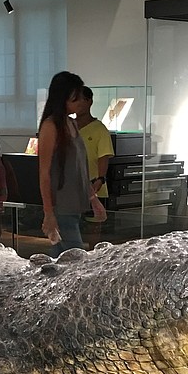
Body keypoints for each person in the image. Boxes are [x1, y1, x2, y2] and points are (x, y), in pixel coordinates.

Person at [37, 71, 106, 256]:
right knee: (74, 259)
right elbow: (44, 173)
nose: (80, 103)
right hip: (61, 207)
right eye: (75, 99)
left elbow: (80, 169)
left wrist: (93, 199)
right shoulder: (51, 127)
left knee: (68, 260)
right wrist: (49, 213)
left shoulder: (71, 124)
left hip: (74, 205)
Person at [73, 86, 112, 225]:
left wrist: (100, 179)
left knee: (92, 229)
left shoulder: (99, 129)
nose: (76, 104)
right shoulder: (68, 127)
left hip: (93, 188)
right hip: (71, 189)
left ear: (89, 101)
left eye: (80, 100)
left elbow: (104, 156)